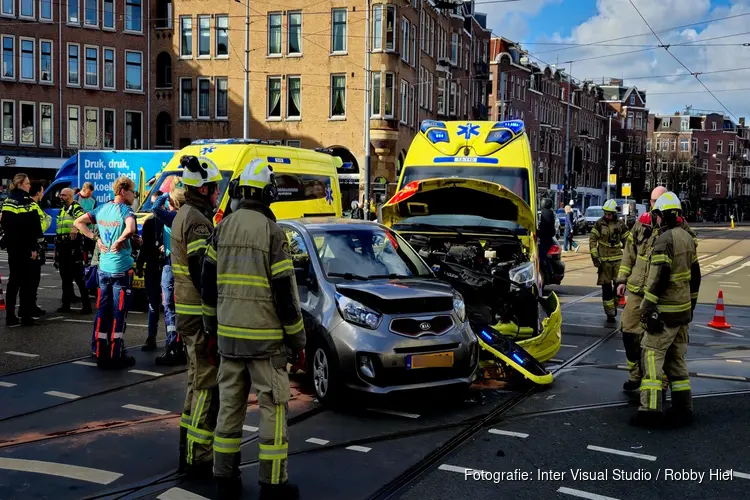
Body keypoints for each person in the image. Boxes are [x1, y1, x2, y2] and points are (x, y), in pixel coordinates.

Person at [202, 159, 305, 500]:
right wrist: (297, 338)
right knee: (273, 410)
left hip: (229, 339)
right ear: (268, 194)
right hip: (266, 344)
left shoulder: (223, 227)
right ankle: (272, 484)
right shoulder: (272, 232)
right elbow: (285, 293)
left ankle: (224, 480)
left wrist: (211, 329)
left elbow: (208, 285)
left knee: (229, 409)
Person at [171, 155, 222, 477]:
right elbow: (204, 273)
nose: (218, 193)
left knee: (195, 383)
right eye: (215, 188)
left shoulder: (185, 214)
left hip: (186, 312)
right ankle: (197, 456)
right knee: (206, 385)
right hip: (198, 315)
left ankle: (187, 447)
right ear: (204, 189)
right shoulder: (198, 221)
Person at [632, 191, 700, 428]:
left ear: (662, 215)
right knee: (676, 360)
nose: (656, 219)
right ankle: (683, 408)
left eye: (657, 214)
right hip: (682, 313)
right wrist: (691, 306)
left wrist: (646, 307)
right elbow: (696, 277)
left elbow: (659, 279)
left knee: (651, 357)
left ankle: (649, 411)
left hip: (664, 314)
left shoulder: (664, 241)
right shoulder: (688, 238)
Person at [73, 176, 137, 369]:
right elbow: (131, 228)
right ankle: (115, 354)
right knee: (119, 312)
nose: (134, 196)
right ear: (124, 191)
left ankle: (101, 352)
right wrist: (120, 240)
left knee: (102, 310)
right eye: (133, 192)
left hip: (104, 268)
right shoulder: (125, 209)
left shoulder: (102, 208)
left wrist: (95, 238)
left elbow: (78, 222)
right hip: (120, 268)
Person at [151, 185, 187, 366]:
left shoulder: (173, 216)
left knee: (170, 308)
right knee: (178, 308)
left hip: (170, 266)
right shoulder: (186, 216)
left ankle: (173, 346)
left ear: (173, 202)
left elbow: (155, 207)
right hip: (180, 266)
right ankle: (179, 346)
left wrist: (166, 193)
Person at [1, 174, 43, 326]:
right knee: (26, 284)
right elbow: (32, 227)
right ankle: (26, 316)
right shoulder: (27, 202)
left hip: (13, 248)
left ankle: (10, 316)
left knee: (13, 283)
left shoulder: (8, 201)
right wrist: (33, 247)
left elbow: (6, 224)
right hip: (25, 249)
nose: (29, 186)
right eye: (27, 183)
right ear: (19, 184)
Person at [589, 199, 629, 323]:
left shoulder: (620, 224)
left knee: (620, 285)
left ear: (614, 213)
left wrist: (630, 256)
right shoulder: (599, 224)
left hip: (617, 259)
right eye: (605, 213)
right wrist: (595, 256)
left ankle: (614, 305)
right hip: (604, 260)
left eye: (609, 214)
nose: (607, 216)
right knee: (606, 288)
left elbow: (627, 240)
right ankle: (610, 313)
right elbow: (592, 240)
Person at [136, 200, 166, 351]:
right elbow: (145, 246)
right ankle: (155, 337)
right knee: (157, 305)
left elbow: (145, 247)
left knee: (161, 306)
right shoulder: (151, 223)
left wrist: (140, 264)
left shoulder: (168, 221)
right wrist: (140, 264)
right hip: (156, 267)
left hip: (161, 267)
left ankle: (162, 338)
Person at [55, 188, 92, 314]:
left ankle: (86, 306)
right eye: (60, 195)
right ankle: (66, 305)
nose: (61, 197)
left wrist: (75, 229)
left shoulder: (75, 207)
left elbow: (83, 219)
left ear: (71, 196)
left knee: (79, 278)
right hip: (62, 246)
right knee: (65, 278)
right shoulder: (63, 210)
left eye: (64, 195)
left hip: (73, 247)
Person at [30, 181, 51, 319]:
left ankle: (30, 307)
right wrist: (48, 220)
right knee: (32, 280)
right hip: (33, 248)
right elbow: (39, 227)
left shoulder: (34, 205)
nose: (43, 194)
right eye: (42, 191)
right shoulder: (33, 206)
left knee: (31, 281)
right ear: (38, 193)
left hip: (33, 247)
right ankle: (29, 308)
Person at [77, 182, 97, 264]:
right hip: (80, 229)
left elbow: (96, 212)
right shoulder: (76, 198)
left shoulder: (93, 199)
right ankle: (84, 264)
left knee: (92, 248)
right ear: (83, 189)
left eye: (91, 193)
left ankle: (93, 265)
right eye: (88, 193)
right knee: (83, 249)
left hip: (90, 229)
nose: (90, 195)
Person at [538, 197, 556, 270]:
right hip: (549, 237)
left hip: (544, 239)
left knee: (542, 255)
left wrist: (538, 232)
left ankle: (546, 268)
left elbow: (543, 227)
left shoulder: (544, 212)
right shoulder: (551, 212)